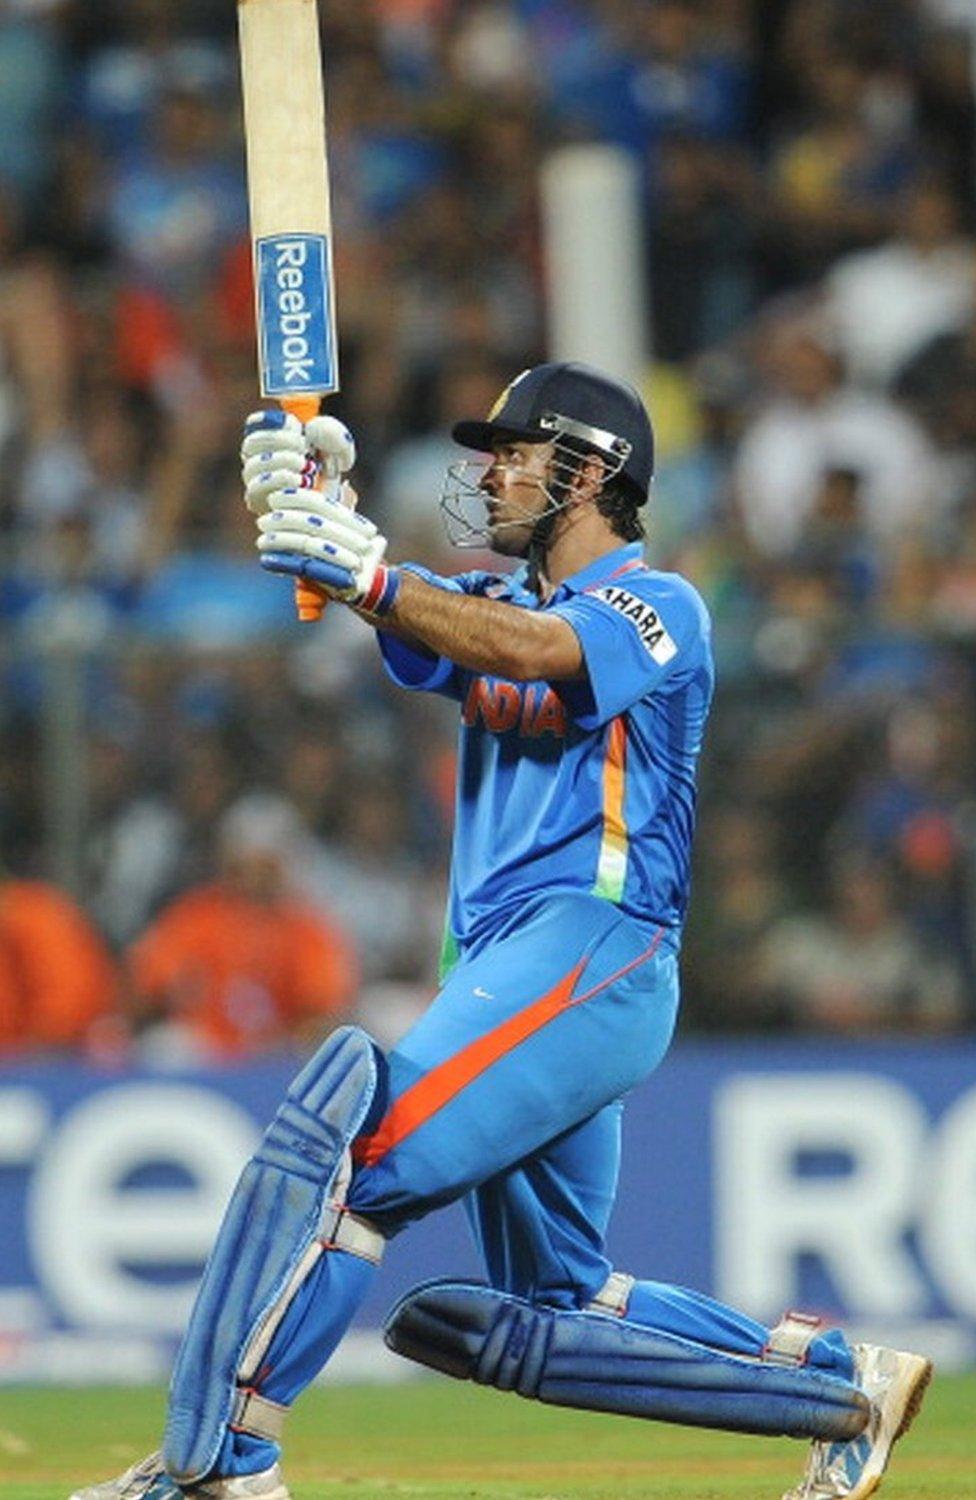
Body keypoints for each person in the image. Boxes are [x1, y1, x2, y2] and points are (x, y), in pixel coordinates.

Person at [71, 362, 931, 1500]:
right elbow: (414, 609)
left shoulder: (658, 604)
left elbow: (529, 656)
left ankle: (225, 1465)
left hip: (591, 949)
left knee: (359, 1162)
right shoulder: (496, 607)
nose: (490, 474)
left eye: (515, 453)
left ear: (587, 472)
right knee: (555, 1305)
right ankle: (844, 1387)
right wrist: (311, 504)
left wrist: (367, 566)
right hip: (517, 968)